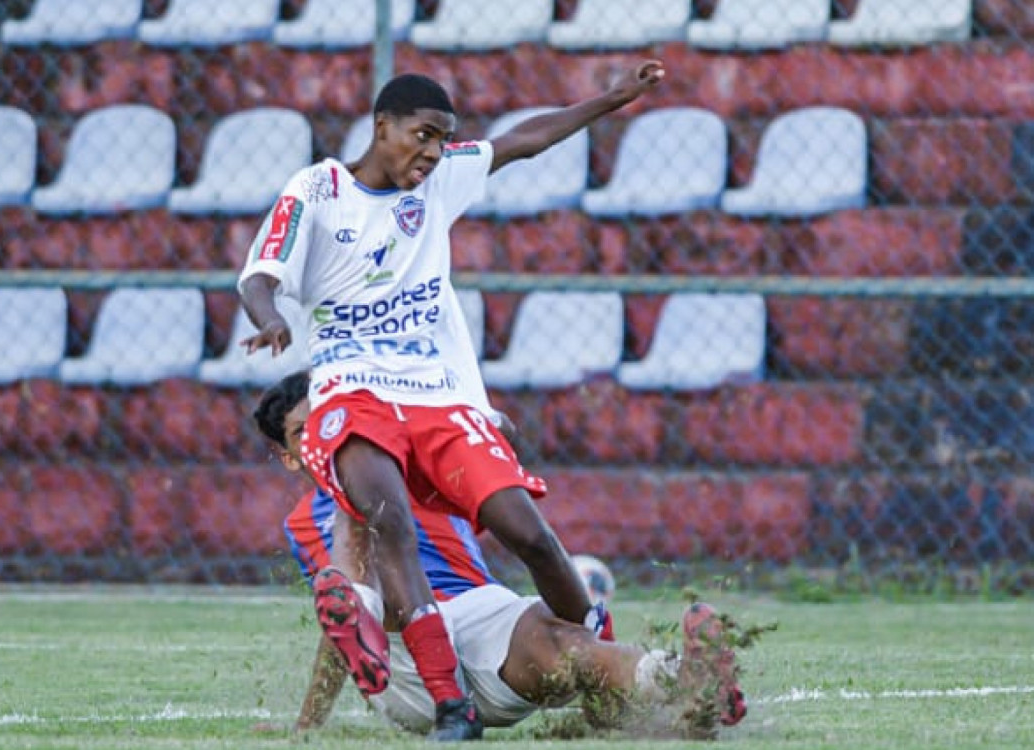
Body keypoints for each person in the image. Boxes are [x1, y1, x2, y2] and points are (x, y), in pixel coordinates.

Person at [238, 62, 667, 740]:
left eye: (443, 139)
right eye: (423, 135)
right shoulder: (317, 189)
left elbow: (524, 140)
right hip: (356, 392)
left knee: (532, 535)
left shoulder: (438, 184)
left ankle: (605, 669)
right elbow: (261, 272)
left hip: (438, 401)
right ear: (383, 127)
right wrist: (269, 316)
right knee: (389, 525)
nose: (434, 152)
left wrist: (612, 99)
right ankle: (451, 707)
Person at [252, 371, 746, 738]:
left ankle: (688, 684)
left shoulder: (420, 465)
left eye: (333, 422)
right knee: (358, 514)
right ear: (290, 456)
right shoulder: (305, 523)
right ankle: (367, 609)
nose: (330, 439)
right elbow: (335, 628)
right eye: (308, 432)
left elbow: (492, 459)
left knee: (568, 648)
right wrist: (307, 725)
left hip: (478, 615)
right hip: (400, 656)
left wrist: (489, 431)